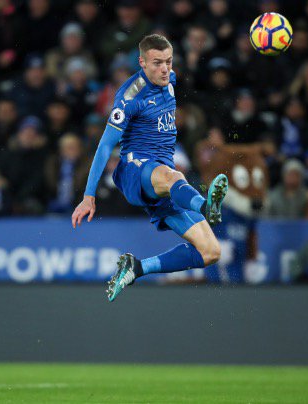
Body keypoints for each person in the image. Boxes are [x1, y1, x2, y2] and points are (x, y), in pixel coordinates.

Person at [71, 34, 228, 302]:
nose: (165, 68)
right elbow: (104, 146)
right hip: (135, 171)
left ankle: (137, 268)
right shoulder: (129, 96)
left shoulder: (171, 80)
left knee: (211, 252)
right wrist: (88, 196)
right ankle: (205, 206)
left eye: (168, 61)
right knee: (173, 175)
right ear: (142, 62)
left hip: (164, 182)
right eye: (157, 63)